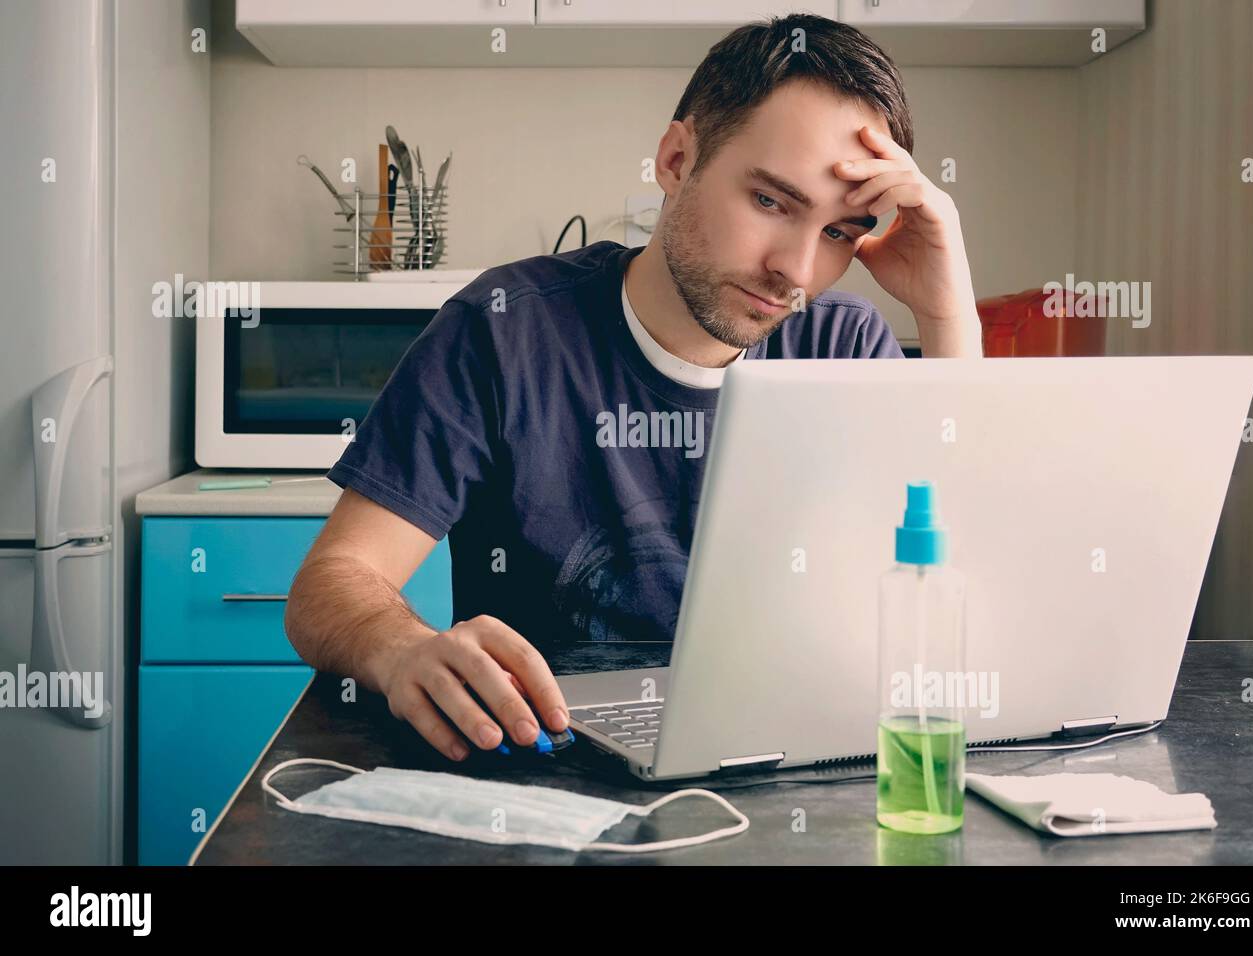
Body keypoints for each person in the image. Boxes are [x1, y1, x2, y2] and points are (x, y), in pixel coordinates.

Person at [284, 13, 984, 763]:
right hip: (548, 767)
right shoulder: (500, 333)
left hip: (788, 761)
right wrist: (402, 649)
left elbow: (961, 596)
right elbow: (333, 583)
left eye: (841, 232)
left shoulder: (842, 346)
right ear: (678, 159)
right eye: (772, 202)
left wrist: (946, 313)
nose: (798, 270)